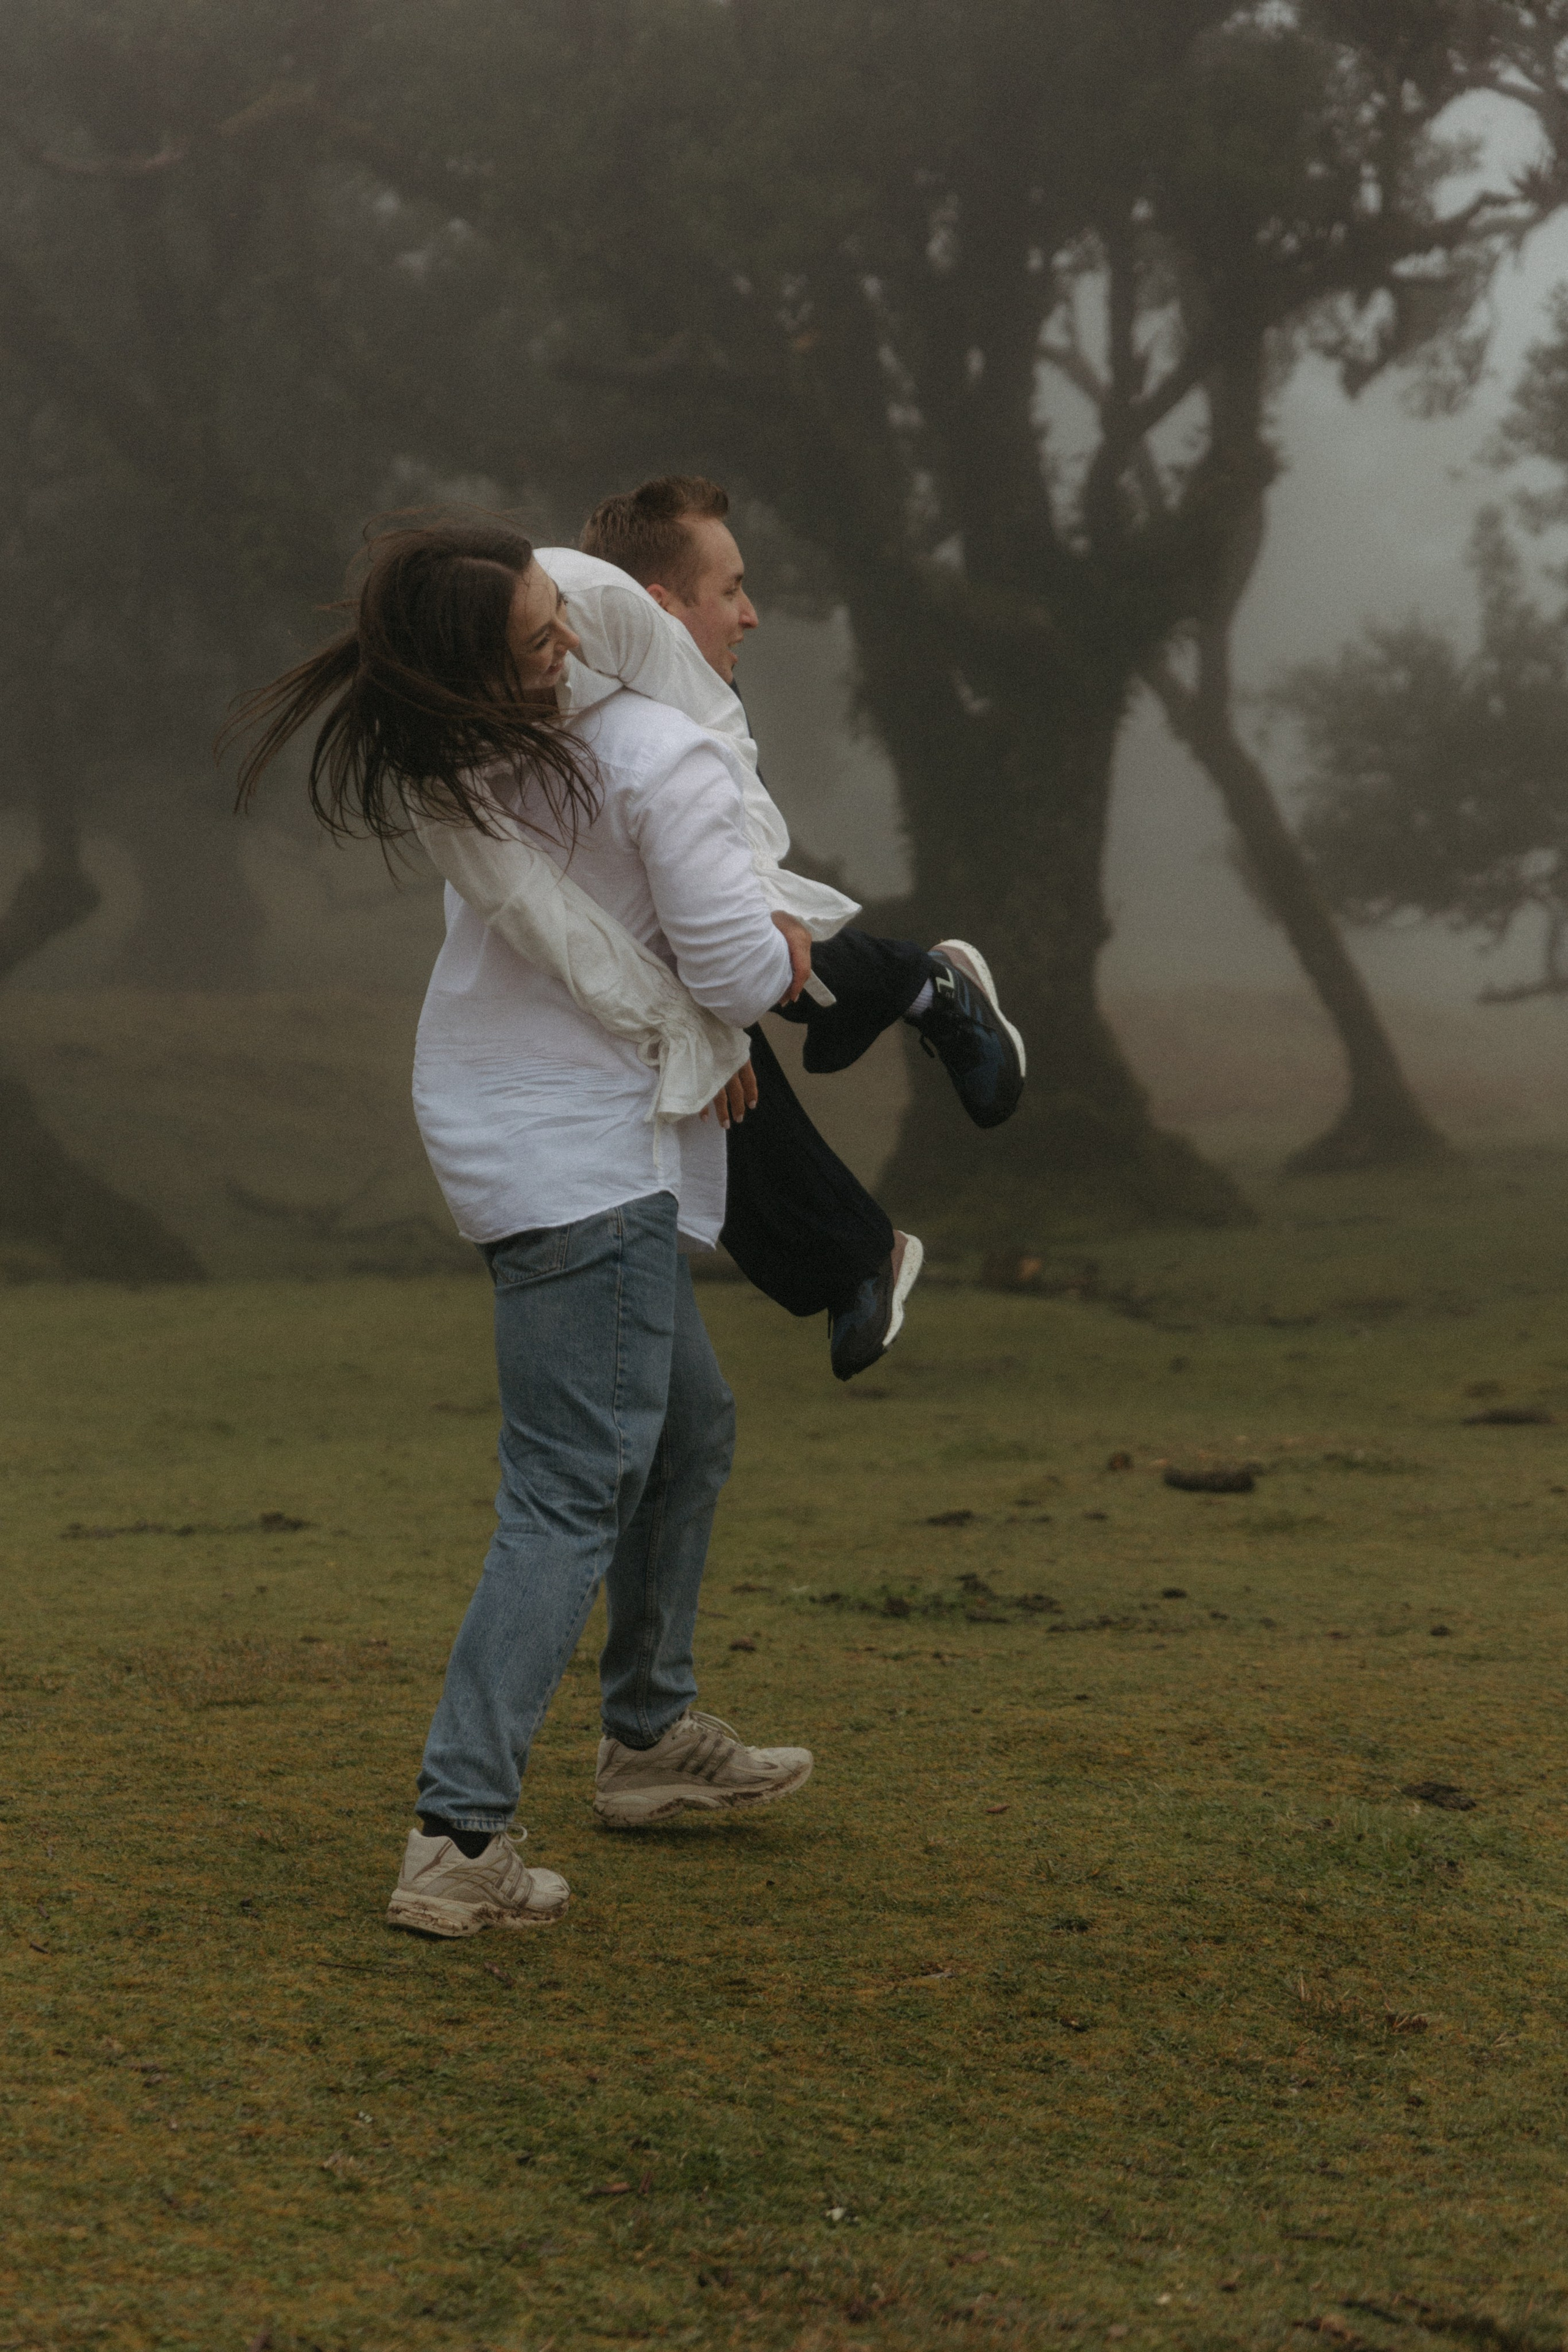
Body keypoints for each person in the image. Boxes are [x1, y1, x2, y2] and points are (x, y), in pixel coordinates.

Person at [224, 516, 815, 1940]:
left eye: (561, 617)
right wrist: (783, 960)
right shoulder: (632, 761)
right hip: (576, 1161)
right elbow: (720, 963)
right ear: (477, 673)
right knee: (566, 1494)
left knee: (691, 1427)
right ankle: (458, 1837)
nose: (566, 645)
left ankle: (648, 1739)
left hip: (521, 1140)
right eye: (534, 639)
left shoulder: (502, 745)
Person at [447, 476, 1025, 1380]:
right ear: (660, 602)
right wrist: (691, 1026)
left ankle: (920, 994)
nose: (752, 617)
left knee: (732, 991)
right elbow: (545, 916)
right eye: (730, 591)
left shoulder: (632, 662)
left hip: (641, 990)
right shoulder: (474, 747)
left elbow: (723, 752)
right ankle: (858, 1231)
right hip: (566, 1094)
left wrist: (757, 913)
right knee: (712, 1037)